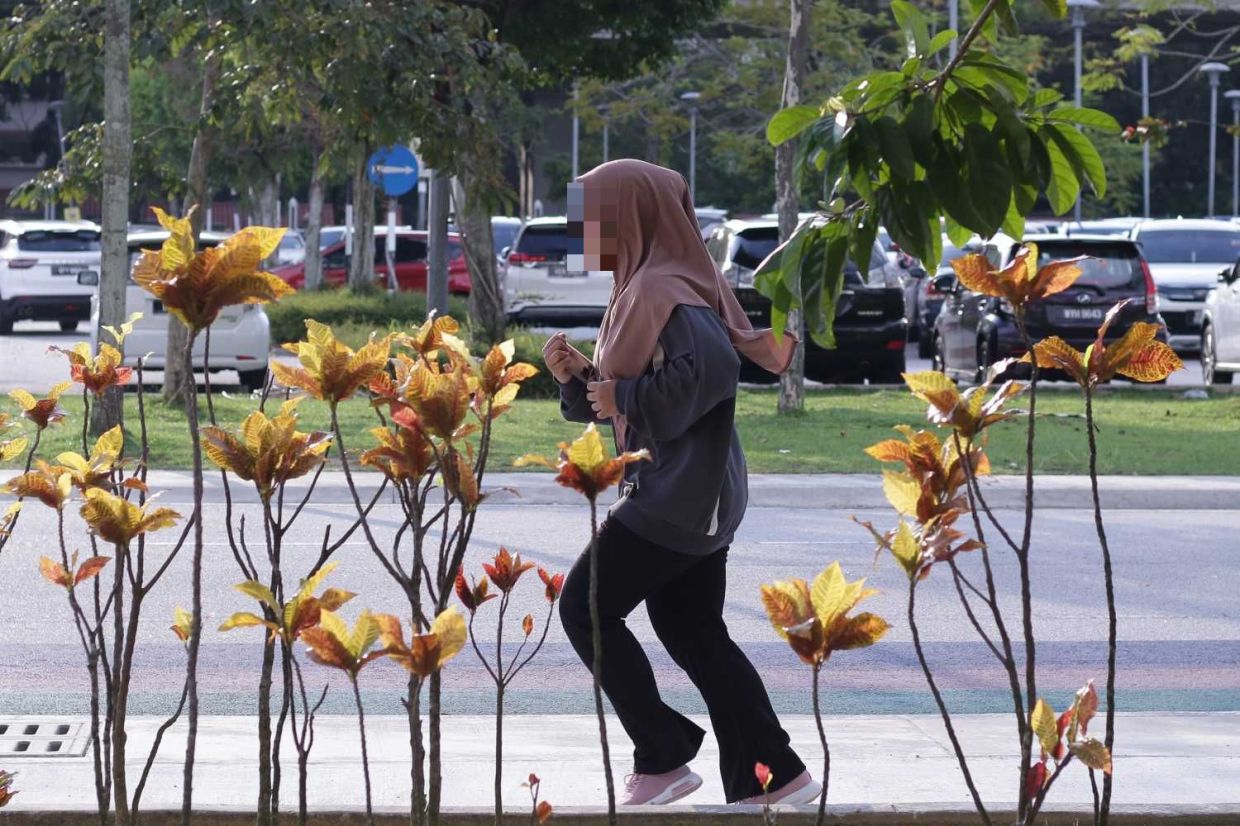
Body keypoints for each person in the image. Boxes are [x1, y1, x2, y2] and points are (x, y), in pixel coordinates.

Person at [542, 158, 820, 807]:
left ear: (630, 218)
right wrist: (579, 380)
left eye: (594, 219)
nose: (585, 235)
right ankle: (775, 774)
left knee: (586, 606)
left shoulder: (664, 290)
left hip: (679, 494)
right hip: (698, 492)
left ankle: (663, 753)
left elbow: (713, 369)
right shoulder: (649, 286)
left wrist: (625, 392)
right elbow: (628, 398)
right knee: (692, 631)